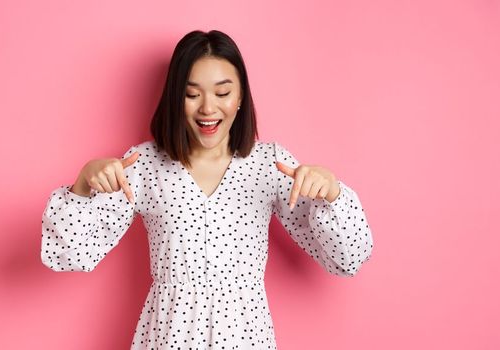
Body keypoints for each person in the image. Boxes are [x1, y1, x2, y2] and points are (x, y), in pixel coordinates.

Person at [41, 29, 374, 349]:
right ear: (175, 98)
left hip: (245, 338)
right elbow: (71, 254)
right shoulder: (143, 165)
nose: (207, 108)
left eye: (222, 92)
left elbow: (348, 259)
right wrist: (83, 183)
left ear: (241, 96)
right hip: (170, 336)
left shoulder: (269, 166)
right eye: (191, 93)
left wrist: (332, 194)